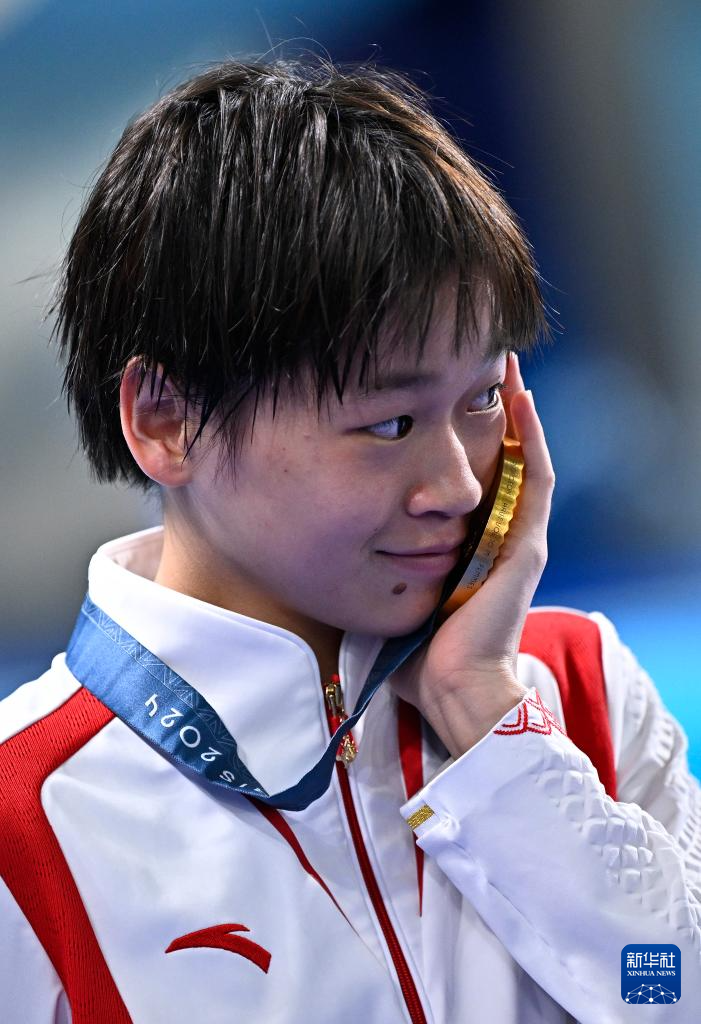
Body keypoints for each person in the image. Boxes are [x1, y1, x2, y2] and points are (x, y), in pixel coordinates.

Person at [1, 58, 699, 1024]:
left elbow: (675, 992)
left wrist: (488, 719)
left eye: (480, 399)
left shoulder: (575, 690)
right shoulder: (23, 826)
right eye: (388, 423)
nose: (459, 485)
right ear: (166, 419)